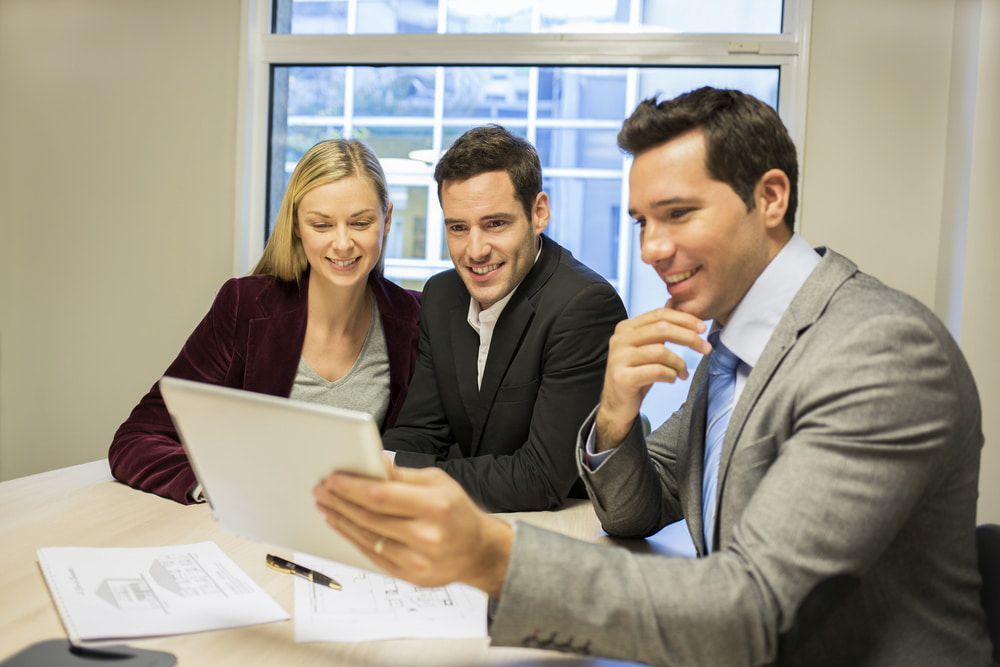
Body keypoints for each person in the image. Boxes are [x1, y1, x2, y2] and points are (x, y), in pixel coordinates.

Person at [313, 88, 992, 666]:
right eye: (642, 221)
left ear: (771, 197)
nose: (651, 248)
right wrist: (613, 414)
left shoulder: (880, 350)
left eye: (679, 213)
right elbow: (643, 505)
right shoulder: (737, 344)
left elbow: (750, 607)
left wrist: (493, 554)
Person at [110, 139, 420, 505]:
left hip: (357, 537)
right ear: (296, 227)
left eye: (361, 222)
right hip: (249, 532)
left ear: (387, 221)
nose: (342, 243)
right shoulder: (244, 306)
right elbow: (137, 437)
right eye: (321, 225)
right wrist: (223, 486)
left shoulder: (415, 319)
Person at [380, 125, 627, 512]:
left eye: (495, 224)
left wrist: (400, 474)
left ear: (539, 213)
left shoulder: (584, 306)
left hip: (552, 535)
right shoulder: (442, 295)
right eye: (458, 228)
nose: (475, 250)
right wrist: (372, 473)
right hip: (466, 521)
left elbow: (539, 478)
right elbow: (419, 431)